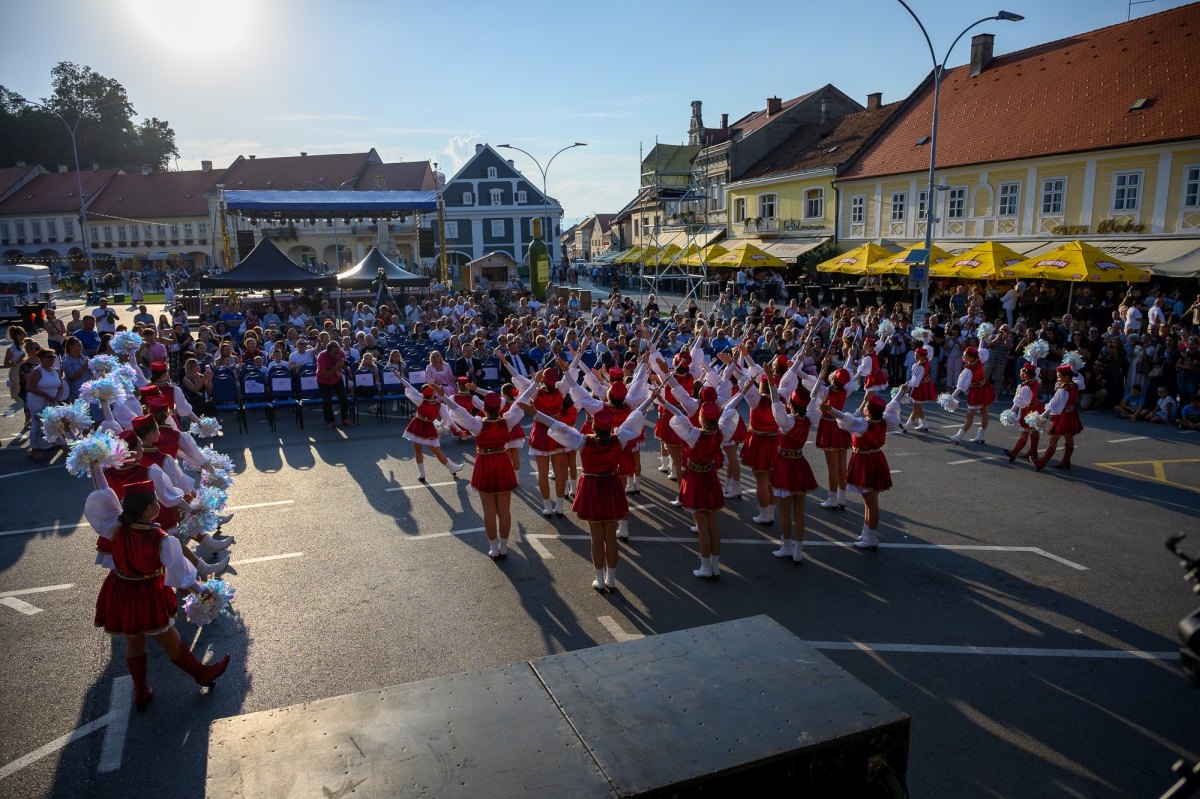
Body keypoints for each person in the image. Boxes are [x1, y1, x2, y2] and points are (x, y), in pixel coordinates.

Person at [83, 478, 231, 711]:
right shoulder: (161, 539)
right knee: (171, 641)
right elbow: (181, 574)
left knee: (135, 641)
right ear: (149, 509)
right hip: (146, 595)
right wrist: (203, 593)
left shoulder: (115, 527)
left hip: (120, 591)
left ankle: (141, 691)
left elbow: (103, 492)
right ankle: (202, 674)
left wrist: (96, 466)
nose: (158, 504)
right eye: (155, 501)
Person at [538, 405, 648, 590]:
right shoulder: (619, 439)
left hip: (592, 489)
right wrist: (650, 399)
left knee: (597, 537)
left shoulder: (583, 441)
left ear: (593, 427)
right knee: (611, 537)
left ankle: (600, 578)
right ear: (609, 427)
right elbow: (634, 417)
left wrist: (534, 412)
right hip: (612, 487)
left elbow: (558, 426)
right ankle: (611, 579)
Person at [445, 387, 533, 558]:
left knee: (489, 511)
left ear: (484, 408)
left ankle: (493, 547)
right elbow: (520, 401)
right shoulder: (506, 422)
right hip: (502, 462)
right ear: (499, 408)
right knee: (504, 510)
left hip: (484, 464)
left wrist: (443, 396)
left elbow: (458, 410)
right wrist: (535, 383)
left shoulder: (478, 424)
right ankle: (504, 546)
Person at [660, 397, 740, 579]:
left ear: (701, 419)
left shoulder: (695, 435)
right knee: (713, 525)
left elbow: (679, 415)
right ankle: (715, 565)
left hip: (696, 478)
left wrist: (662, 402)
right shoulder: (721, 433)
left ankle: (705, 567)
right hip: (710, 477)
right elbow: (729, 409)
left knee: (702, 527)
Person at [824, 393, 902, 550]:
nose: (864, 407)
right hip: (877, 460)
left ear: (869, 411)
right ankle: (867, 533)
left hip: (866, 463)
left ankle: (871, 538)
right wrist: (902, 391)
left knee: (871, 503)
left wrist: (830, 409)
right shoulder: (883, 420)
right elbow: (894, 403)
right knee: (869, 502)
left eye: (866, 406)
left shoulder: (864, 425)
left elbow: (848, 420)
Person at [767, 377, 821, 564]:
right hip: (800, 463)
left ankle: (787, 547)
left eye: (789, 400)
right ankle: (797, 550)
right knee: (799, 511)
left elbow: (775, 402)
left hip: (785, 465)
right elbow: (813, 398)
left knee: (784, 510)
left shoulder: (788, 422)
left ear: (792, 404)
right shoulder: (809, 419)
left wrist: (771, 382)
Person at [401, 381, 464, 480]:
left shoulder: (423, 401)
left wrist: (399, 377)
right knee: (428, 450)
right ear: (434, 393)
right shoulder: (431, 403)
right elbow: (448, 419)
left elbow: (410, 388)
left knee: (430, 451)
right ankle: (423, 473)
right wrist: (444, 426)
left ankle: (450, 468)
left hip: (422, 426)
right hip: (421, 425)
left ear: (423, 393)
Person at [1035, 365, 1084, 471]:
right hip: (1071, 414)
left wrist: (1042, 416)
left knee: (1054, 438)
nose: (1057, 379)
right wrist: (1073, 367)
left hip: (1062, 416)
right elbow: (1078, 376)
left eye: (1059, 377)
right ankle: (1066, 461)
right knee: (1069, 438)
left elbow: (1053, 406)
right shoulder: (1075, 385)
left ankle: (1042, 462)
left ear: (1066, 377)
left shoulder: (1063, 390)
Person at [24, 348, 66, 461]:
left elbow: (61, 387)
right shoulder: (37, 371)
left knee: (57, 423)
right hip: (36, 401)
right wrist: (46, 396)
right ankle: (34, 450)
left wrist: (57, 397)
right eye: (49, 357)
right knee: (37, 424)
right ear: (41, 359)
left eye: (53, 357)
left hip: (52, 401)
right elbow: (29, 387)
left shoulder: (56, 370)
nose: (52, 359)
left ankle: (61, 445)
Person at [949, 345, 995, 444]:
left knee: (970, 415)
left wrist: (950, 397)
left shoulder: (969, 369)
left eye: (965, 355)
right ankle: (981, 435)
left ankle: (959, 436)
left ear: (971, 357)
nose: (963, 357)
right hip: (984, 388)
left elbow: (960, 387)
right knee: (984, 413)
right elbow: (980, 347)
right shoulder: (979, 360)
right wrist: (982, 337)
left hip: (978, 392)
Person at [1006, 361, 1044, 464]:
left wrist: (1012, 411)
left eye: (1022, 372)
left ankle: (1014, 453)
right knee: (1035, 431)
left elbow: (1021, 403)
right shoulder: (1034, 381)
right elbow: (1034, 367)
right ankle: (1033, 452)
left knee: (1024, 434)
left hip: (1029, 410)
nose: (1020, 374)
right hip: (1037, 407)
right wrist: (1034, 356)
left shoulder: (1025, 387)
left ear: (1027, 374)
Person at [316, 341, 354, 429]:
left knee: (344, 398)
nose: (337, 354)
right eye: (335, 353)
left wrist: (348, 371)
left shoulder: (340, 353)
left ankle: (345, 419)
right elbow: (324, 374)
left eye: (338, 352)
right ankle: (330, 421)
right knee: (327, 401)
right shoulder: (322, 356)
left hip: (337, 379)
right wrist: (337, 367)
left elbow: (345, 366)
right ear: (328, 351)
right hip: (323, 381)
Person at [902, 346, 937, 430]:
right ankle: (924, 424)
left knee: (916, 407)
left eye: (917, 356)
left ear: (923, 356)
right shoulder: (925, 360)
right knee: (916, 406)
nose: (915, 357)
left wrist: (906, 388)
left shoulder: (920, 367)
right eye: (915, 355)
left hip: (921, 387)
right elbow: (928, 348)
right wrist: (925, 338)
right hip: (923, 385)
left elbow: (915, 382)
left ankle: (907, 426)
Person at [5, 324, 28, 401]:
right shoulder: (11, 349)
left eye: (24, 334)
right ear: (17, 336)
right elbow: (6, 363)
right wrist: (17, 361)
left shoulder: (26, 345)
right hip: (16, 372)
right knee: (20, 395)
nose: (24, 336)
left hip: (26, 370)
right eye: (22, 334)